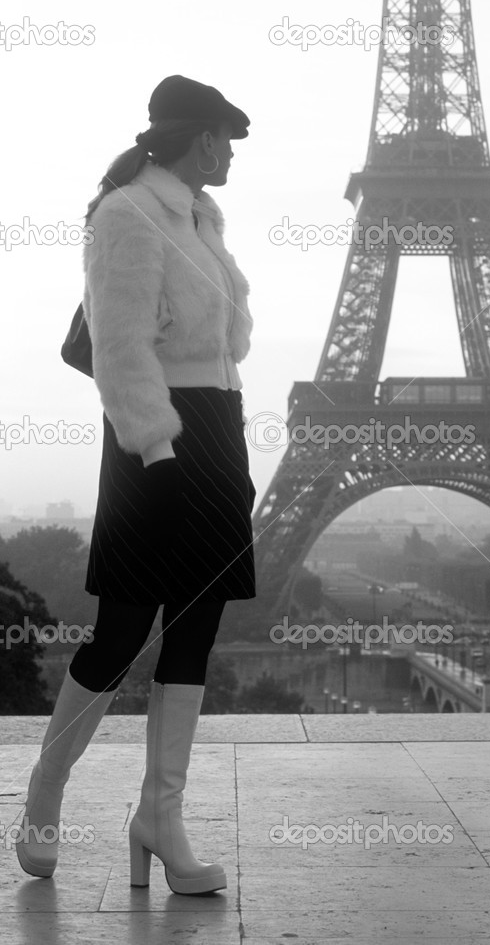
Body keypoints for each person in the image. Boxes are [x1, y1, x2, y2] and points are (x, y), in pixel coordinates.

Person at [16, 75, 257, 896]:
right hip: (154, 436)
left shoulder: (200, 218)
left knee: (193, 631)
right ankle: (46, 788)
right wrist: (155, 449)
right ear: (195, 137)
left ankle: (161, 817)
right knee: (122, 631)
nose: (230, 152)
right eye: (223, 137)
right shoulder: (125, 214)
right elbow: (119, 348)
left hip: (218, 428)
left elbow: (226, 340)